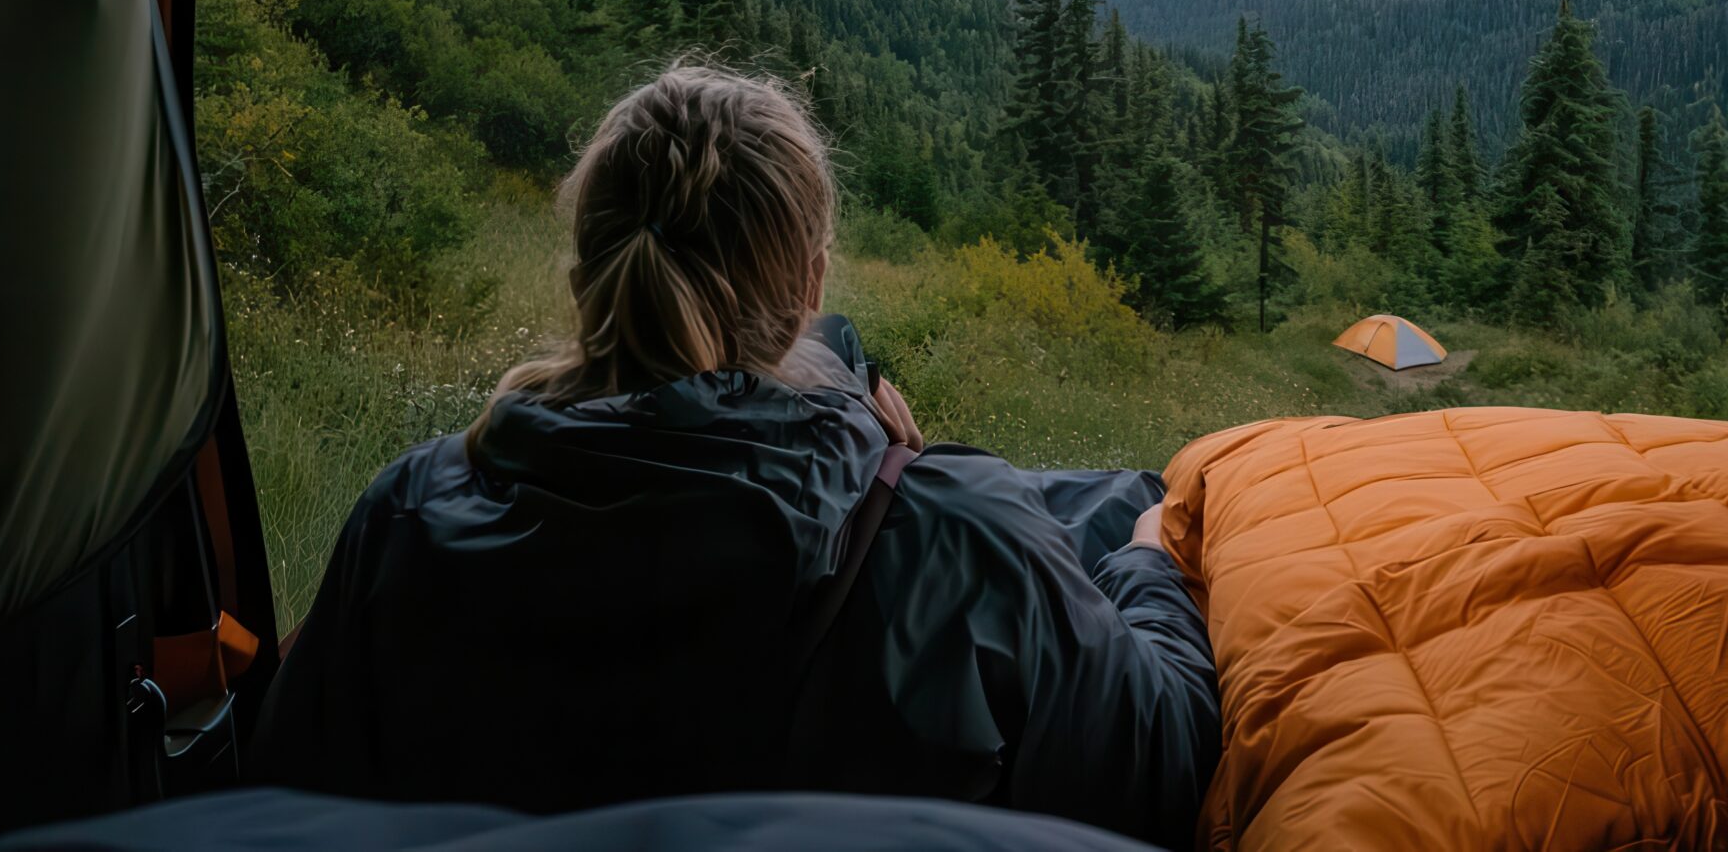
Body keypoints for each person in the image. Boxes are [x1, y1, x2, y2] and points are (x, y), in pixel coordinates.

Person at [252, 66, 1219, 848]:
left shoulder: (410, 511)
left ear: (586, 272)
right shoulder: (963, 534)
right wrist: (1148, 558)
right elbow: (1162, 768)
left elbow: (289, 790)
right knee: (1122, 499)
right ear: (809, 281)